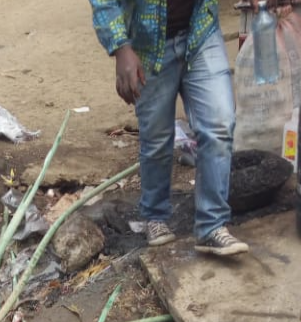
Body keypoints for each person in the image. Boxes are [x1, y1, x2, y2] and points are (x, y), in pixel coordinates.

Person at [88, 0, 250, 256]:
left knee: (219, 125)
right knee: (156, 139)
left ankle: (212, 225)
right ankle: (155, 215)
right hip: (147, 44)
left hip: (200, 31)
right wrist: (120, 47)